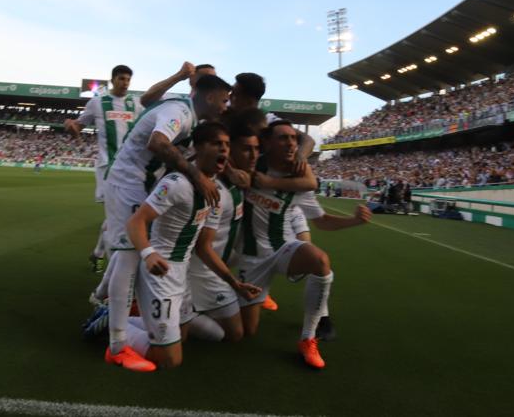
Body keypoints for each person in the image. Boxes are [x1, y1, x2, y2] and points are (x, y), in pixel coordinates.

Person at [101, 73, 231, 372]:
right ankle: (117, 346)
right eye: (224, 100)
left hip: (139, 183)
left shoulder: (189, 115)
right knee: (128, 254)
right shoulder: (180, 113)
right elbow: (158, 142)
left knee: (129, 253)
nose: (225, 106)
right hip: (129, 182)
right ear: (210, 97)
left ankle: (105, 307)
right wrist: (197, 176)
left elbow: (147, 102)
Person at [120, 122, 254, 369]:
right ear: (198, 148)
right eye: (216, 144)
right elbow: (136, 222)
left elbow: (204, 248)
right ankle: (111, 323)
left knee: (210, 336)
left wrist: (233, 282)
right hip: (159, 273)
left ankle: (138, 322)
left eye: (226, 145)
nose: (224, 149)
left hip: (182, 276)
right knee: (170, 360)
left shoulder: (217, 193)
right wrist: (149, 254)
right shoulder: (176, 184)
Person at [238, 120, 369, 369]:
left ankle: (308, 337)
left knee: (319, 261)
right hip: (251, 258)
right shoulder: (252, 164)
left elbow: (322, 221)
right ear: (266, 143)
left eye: (292, 138)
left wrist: (354, 221)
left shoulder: (299, 181)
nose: (290, 143)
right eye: (282, 138)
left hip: (282, 248)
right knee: (246, 331)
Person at [183, 122, 263, 343]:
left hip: (218, 266)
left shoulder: (236, 183)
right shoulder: (215, 190)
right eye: (247, 150)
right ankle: (176, 312)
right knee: (232, 334)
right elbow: (203, 245)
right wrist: (232, 282)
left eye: (257, 149)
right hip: (204, 270)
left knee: (243, 329)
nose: (254, 156)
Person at [67, 65, 140, 273]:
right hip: (107, 168)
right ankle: (109, 274)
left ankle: (98, 254)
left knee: (116, 219)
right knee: (117, 220)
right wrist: (71, 126)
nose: (125, 83)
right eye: (122, 79)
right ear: (113, 80)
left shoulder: (134, 104)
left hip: (130, 170)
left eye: (128, 79)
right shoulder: (97, 102)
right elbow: (78, 127)